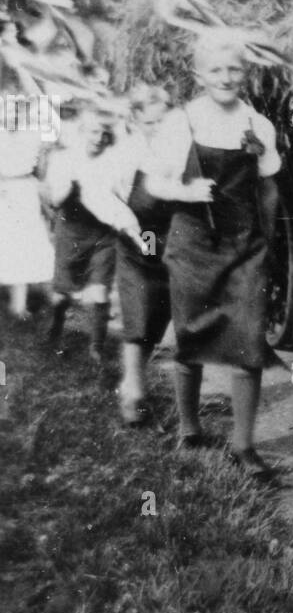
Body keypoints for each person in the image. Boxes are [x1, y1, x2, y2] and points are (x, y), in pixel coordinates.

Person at [147, 30, 281, 477]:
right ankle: (189, 427)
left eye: (234, 69)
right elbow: (155, 184)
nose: (226, 77)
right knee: (191, 335)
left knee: (248, 340)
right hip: (193, 245)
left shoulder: (258, 126)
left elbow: (268, 187)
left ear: (246, 72)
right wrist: (185, 191)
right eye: (216, 69)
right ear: (198, 74)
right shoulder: (180, 122)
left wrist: (268, 240)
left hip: (245, 247)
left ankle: (243, 444)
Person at [79, 83, 173, 425]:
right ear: (134, 120)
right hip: (138, 236)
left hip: (172, 239)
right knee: (139, 307)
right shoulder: (124, 155)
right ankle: (133, 388)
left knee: (160, 314)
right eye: (151, 124)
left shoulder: (176, 151)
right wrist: (127, 222)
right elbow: (97, 194)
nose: (158, 130)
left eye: (164, 122)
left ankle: (136, 373)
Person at [44, 106, 117, 360]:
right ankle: (56, 325)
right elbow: (54, 200)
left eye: (104, 133)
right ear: (82, 132)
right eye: (94, 132)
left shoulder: (113, 159)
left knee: (99, 292)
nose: (99, 138)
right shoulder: (64, 159)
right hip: (71, 232)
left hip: (103, 234)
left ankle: (96, 348)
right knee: (62, 295)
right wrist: (71, 184)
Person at [0, 88, 55, 319]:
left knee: (21, 243)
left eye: (15, 110)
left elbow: (40, 169)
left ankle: (19, 304)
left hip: (23, 189)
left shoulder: (31, 134)